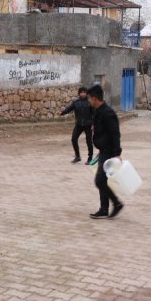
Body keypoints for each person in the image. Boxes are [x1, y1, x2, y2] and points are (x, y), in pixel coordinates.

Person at [86, 84, 124, 219]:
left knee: (100, 181)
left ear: (95, 98)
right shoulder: (97, 111)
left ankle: (117, 203)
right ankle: (104, 209)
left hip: (109, 152)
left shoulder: (108, 113)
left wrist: (117, 154)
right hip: (103, 151)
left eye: (89, 99)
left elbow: (115, 134)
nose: (88, 101)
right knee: (103, 180)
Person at [60, 87, 93, 164]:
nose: (83, 93)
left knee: (89, 142)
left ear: (86, 93)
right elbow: (69, 109)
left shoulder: (90, 102)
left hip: (88, 125)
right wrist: (62, 113)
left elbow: (94, 113)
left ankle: (90, 158)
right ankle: (77, 156)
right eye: (81, 92)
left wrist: (94, 124)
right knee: (74, 139)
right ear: (79, 93)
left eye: (84, 92)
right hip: (79, 124)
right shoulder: (76, 102)